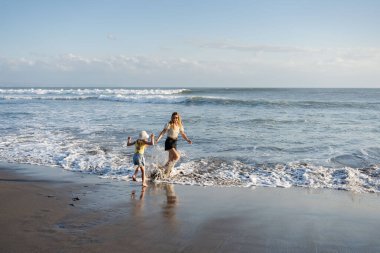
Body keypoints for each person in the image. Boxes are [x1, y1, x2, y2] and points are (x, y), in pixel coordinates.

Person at [156, 112, 192, 177]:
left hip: (174, 142)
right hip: (169, 141)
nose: (175, 119)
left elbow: (183, 134)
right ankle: (164, 167)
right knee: (177, 156)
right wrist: (158, 139)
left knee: (171, 158)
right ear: (172, 118)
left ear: (178, 118)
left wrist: (187, 140)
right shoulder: (169, 124)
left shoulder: (179, 125)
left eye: (176, 118)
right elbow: (163, 132)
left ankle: (166, 173)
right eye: (174, 117)